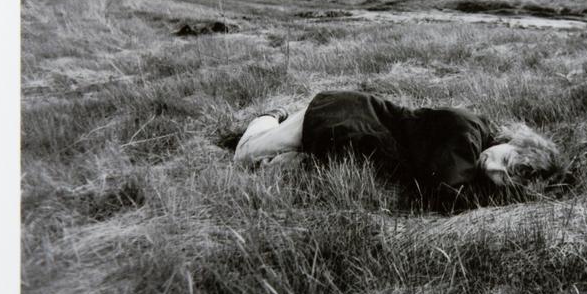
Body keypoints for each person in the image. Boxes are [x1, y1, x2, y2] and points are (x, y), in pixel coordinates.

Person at [233, 90, 560, 198]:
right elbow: (446, 190)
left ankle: (294, 155)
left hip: (343, 142)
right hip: (336, 116)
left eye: (504, 177)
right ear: (512, 142)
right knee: (244, 158)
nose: (492, 167)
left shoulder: (474, 155)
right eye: (504, 159)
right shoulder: (467, 132)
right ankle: (271, 116)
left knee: (274, 173)